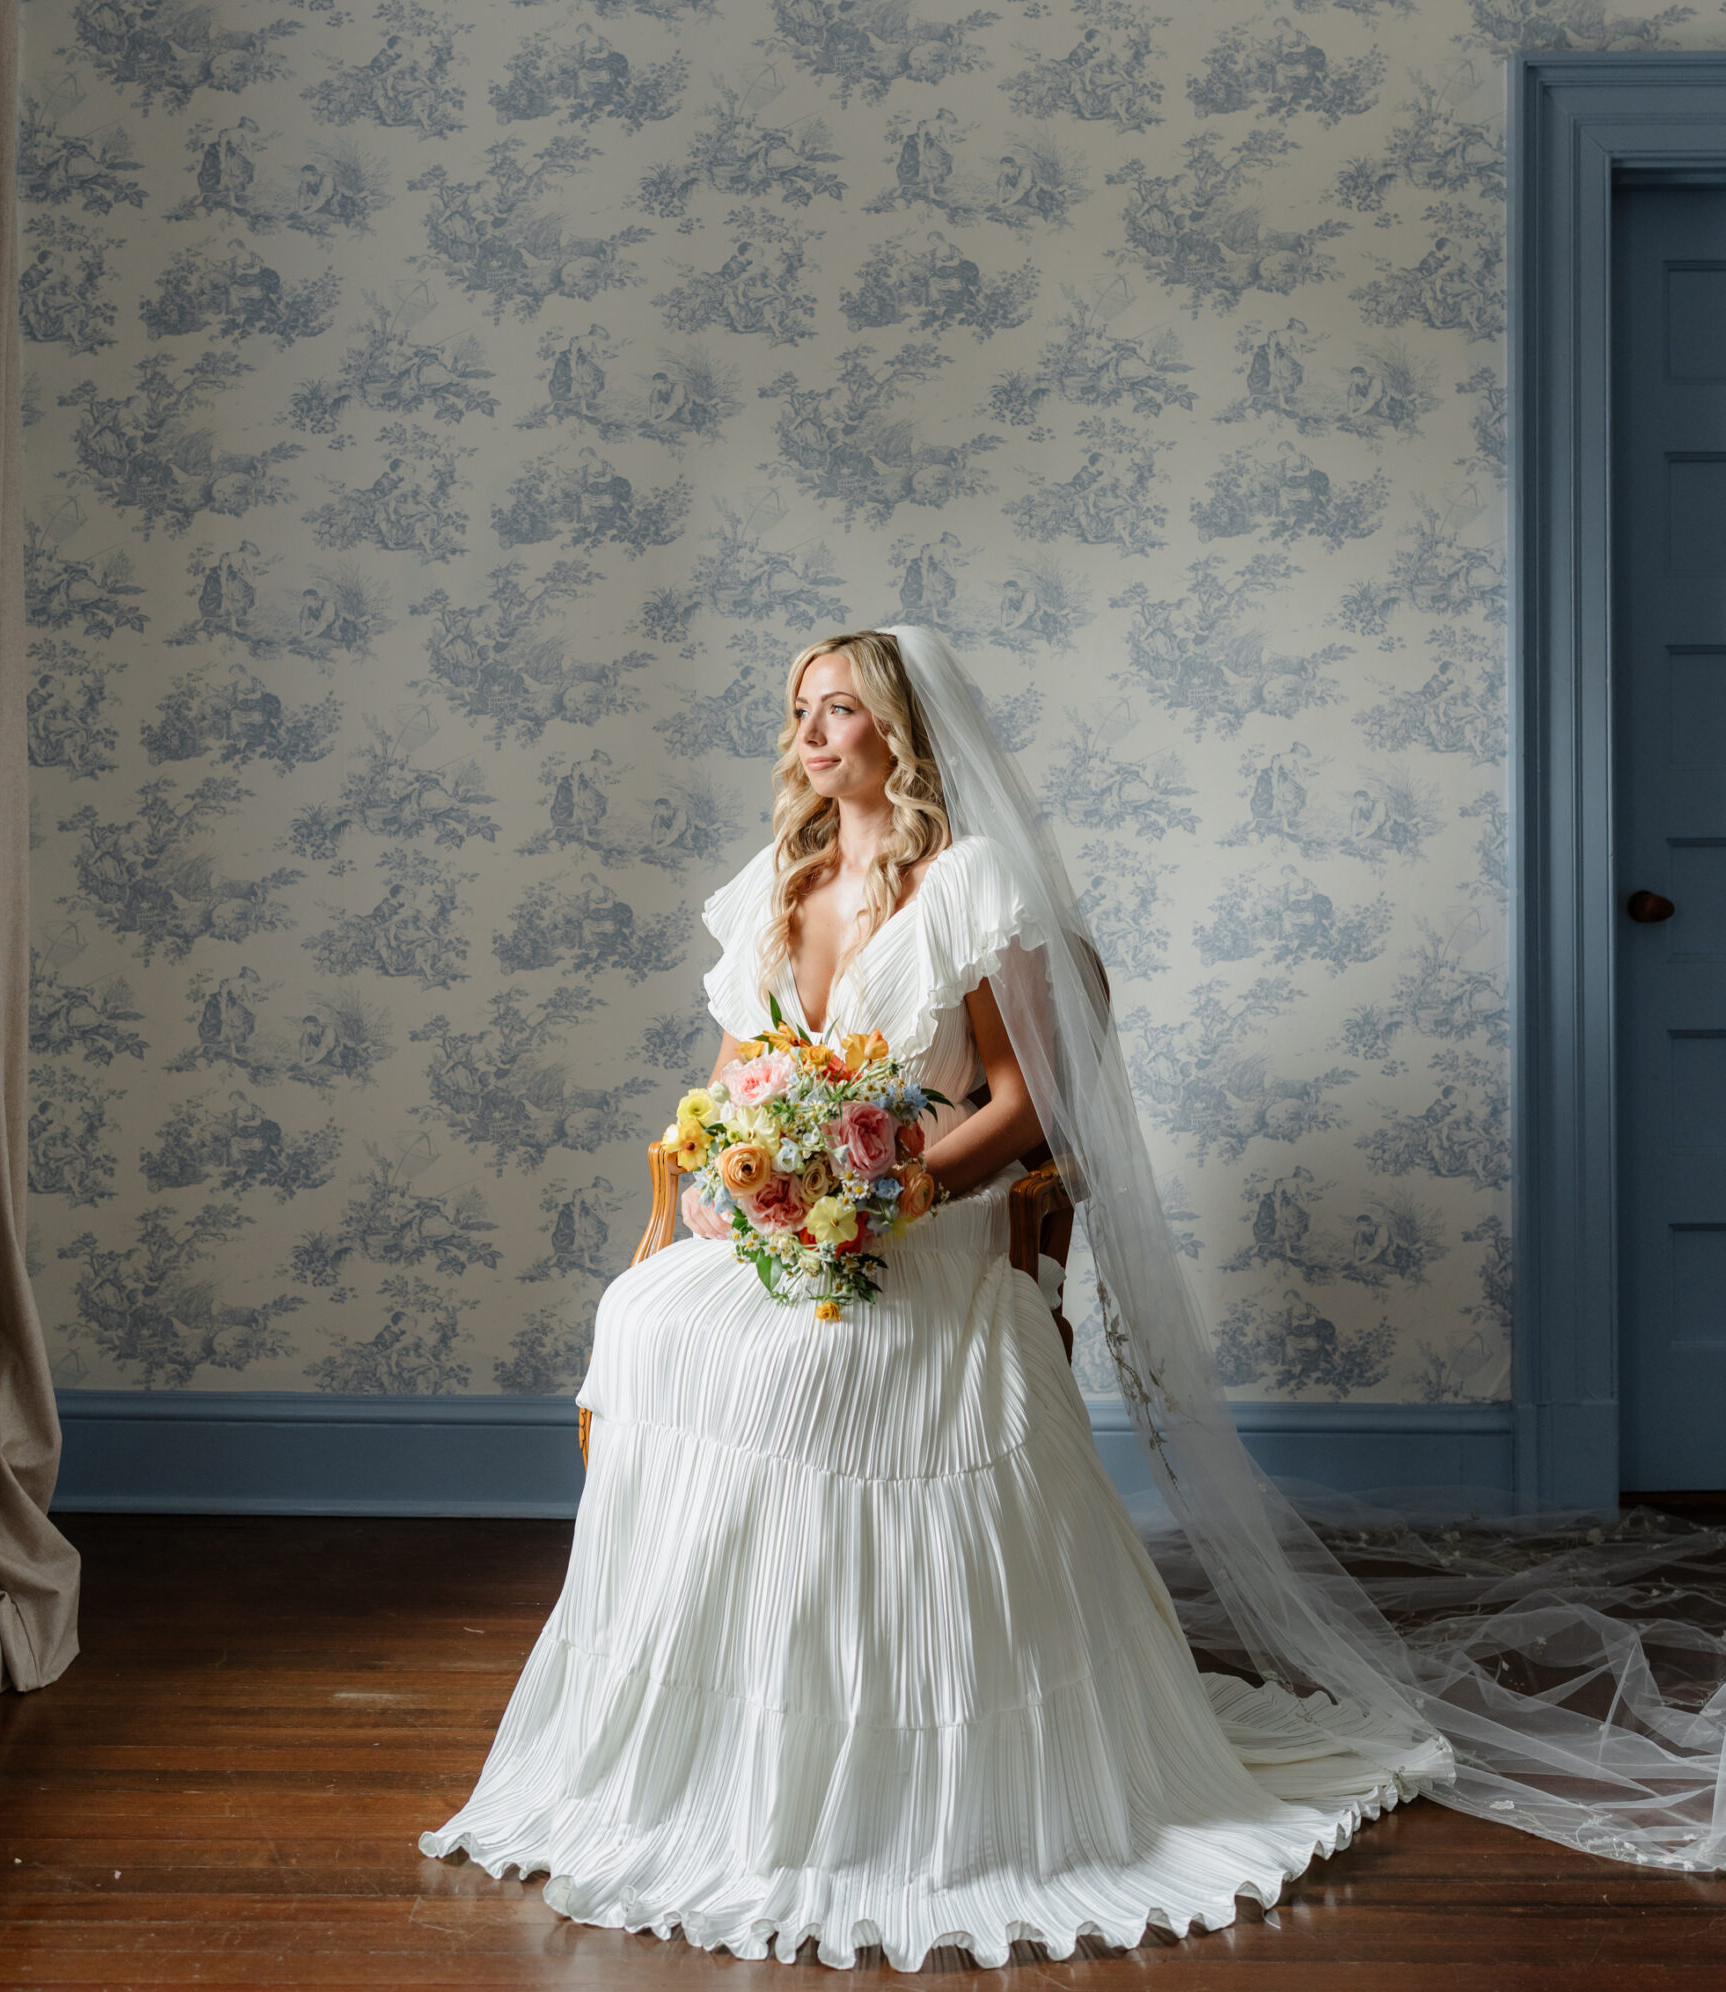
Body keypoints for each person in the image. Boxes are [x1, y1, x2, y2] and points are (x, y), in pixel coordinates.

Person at [420, 627, 1726, 1957]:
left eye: (838, 714)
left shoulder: (971, 884)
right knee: (645, 1317)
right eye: (799, 712)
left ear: (903, 735)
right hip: (800, 1232)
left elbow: (1024, 1102)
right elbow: (735, 1080)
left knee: (812, 1366)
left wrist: (895, 1193)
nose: (807, 738)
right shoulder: (782, 877)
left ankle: (891, 1753)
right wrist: (724, 1176)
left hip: (922, 1231)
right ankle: (706, 1742)